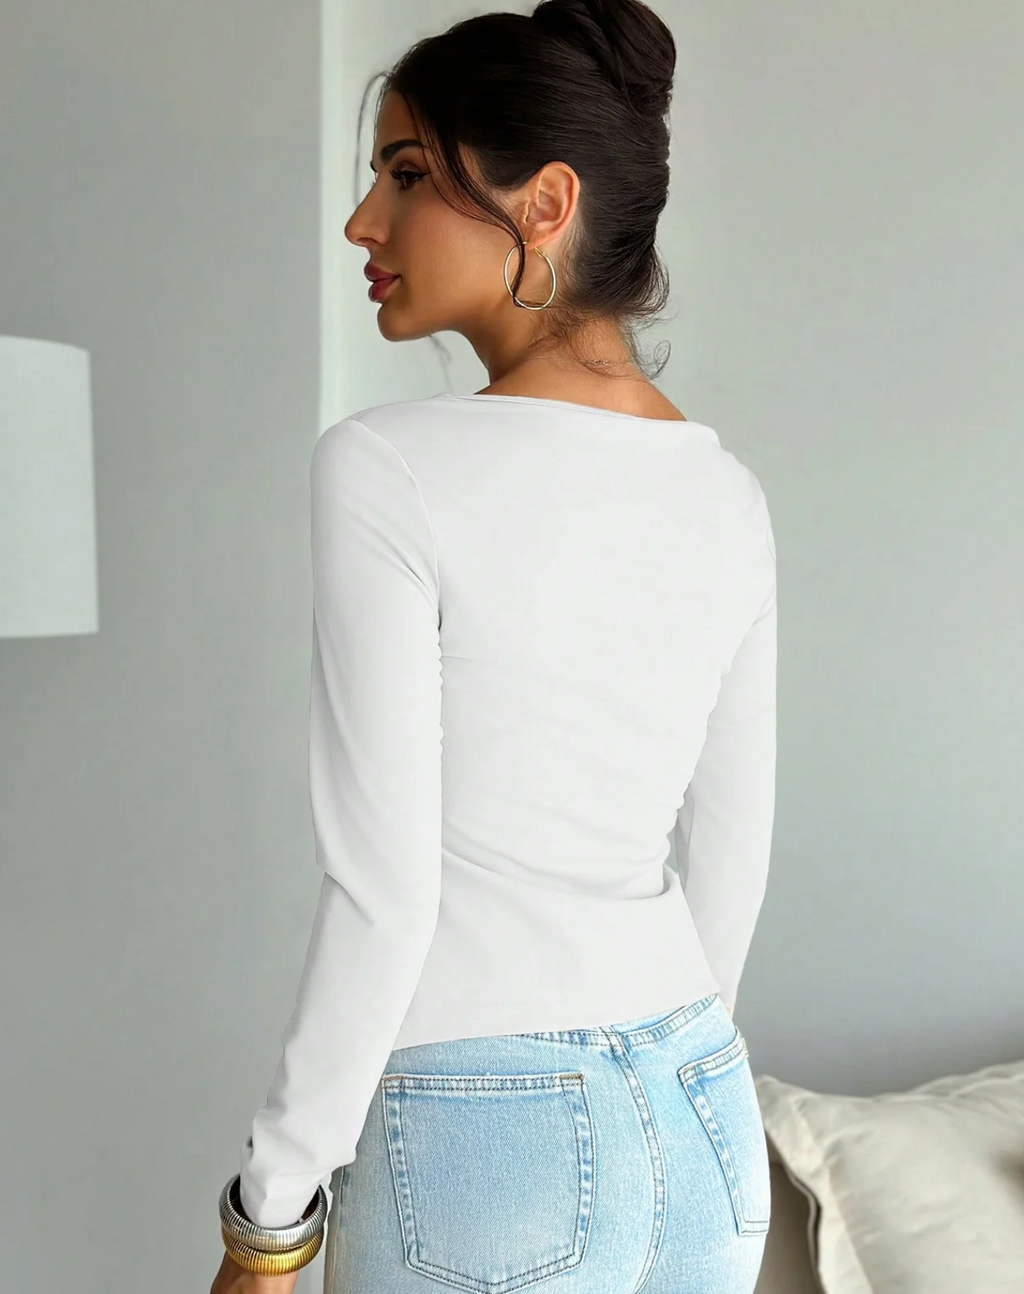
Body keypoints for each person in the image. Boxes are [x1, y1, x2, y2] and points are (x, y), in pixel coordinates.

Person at [210, 1, 777, 1291]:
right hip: (702, 1105)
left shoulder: (386, 467)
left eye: (407, 173)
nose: (364, 222)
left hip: (486, 1130)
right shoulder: (727, 492)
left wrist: (271, 1217)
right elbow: (731, 858)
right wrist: (652, 1092)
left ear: (546, 202)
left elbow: (385, 891)